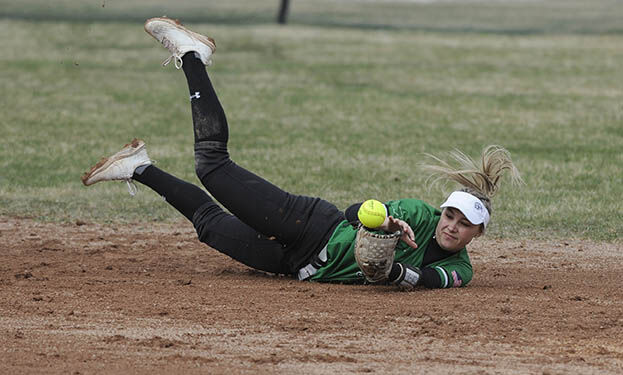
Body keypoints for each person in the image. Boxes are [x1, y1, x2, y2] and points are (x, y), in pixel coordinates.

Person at [82, 17, 522, 289]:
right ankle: (194, 55)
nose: (452, 228)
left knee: (210, 227)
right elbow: (354, 213)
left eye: (464, 225)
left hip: (294, 265)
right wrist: (386, 224)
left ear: (477, 236)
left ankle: (139, 167)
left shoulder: (462, 270)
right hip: (312, 227)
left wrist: (391, 274)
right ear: (442, 212)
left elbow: (427, 279)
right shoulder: (420, 216)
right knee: (212, 166)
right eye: (452, 216)